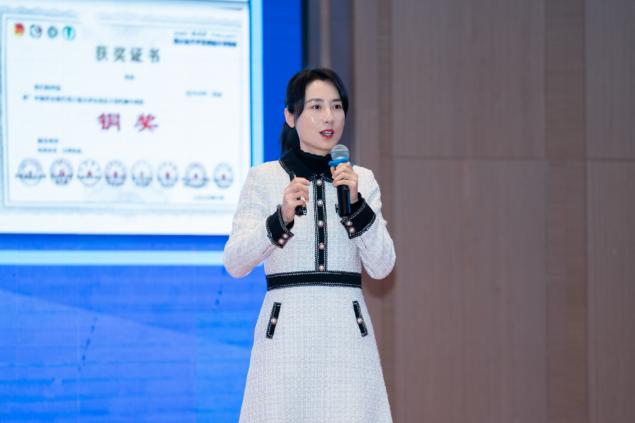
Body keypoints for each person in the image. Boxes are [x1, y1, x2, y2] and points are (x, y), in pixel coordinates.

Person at [223, 68, 396, 422]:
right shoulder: (264, 178)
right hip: (284, 340)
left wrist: (356, 204)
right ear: (291, 115)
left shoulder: (362, 180)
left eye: (337, 106)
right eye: (316, 107)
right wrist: (280, 218)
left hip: (348, 342)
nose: (329, 117)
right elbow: (235, 262)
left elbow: (382, 266)